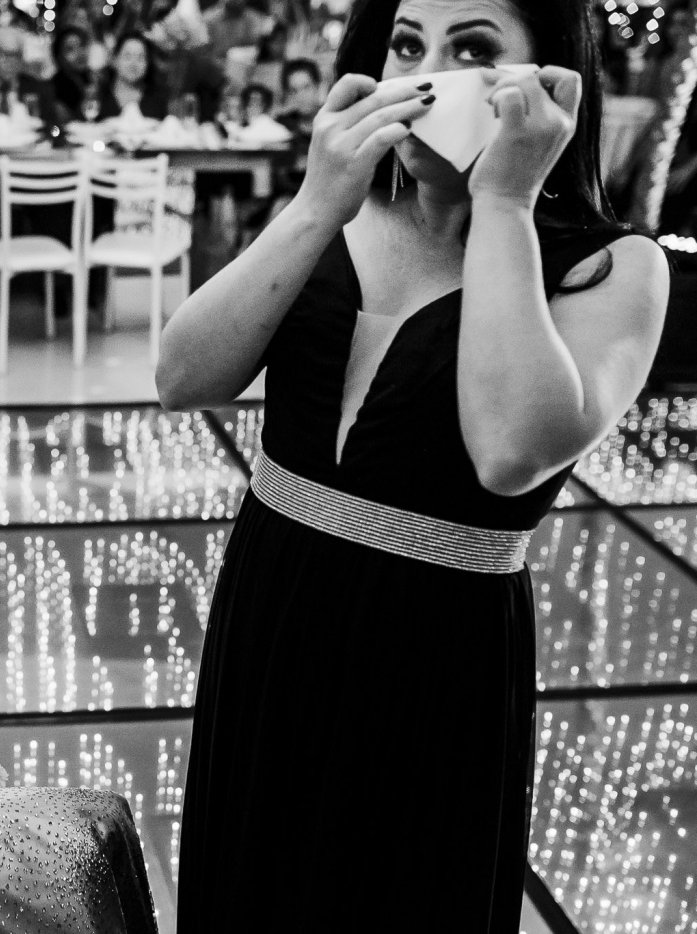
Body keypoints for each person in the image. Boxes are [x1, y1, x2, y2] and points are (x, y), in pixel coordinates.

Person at [158, 0, 670, 930]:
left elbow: (511, 452)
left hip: (437, 652)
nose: (426, 75)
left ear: (548, 80)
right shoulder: (338, 211)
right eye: (406, 44)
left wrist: (504, 203)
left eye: (470, 47)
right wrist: (316, 201)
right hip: (272, 609)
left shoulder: (613, 268)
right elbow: (183, 377)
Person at [95, 32, 167, 120]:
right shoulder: (97, 97)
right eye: (127, 56)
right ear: (114, 60)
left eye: (140, 58)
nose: (133, 64)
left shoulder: (158, 99)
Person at [51, 25, 93, 123]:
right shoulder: (55, 88)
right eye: (70, 49)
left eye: (81, 45)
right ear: (59, 57)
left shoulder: (92, 78)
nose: (79, 53)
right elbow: (66, 123)